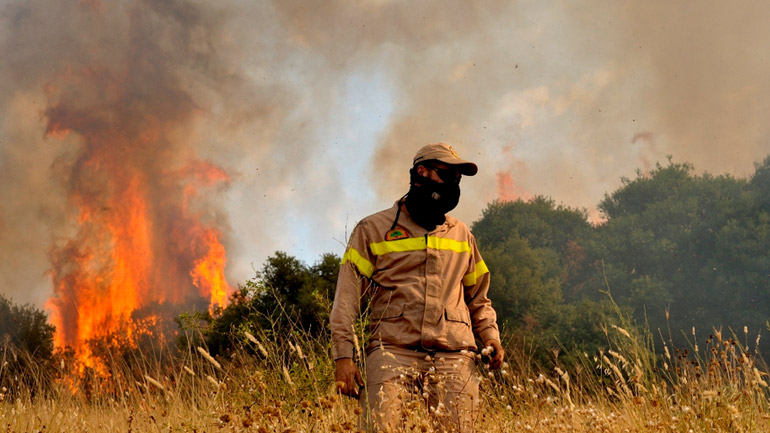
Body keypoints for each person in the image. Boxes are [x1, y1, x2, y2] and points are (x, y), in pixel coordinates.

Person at [330, 142, 504, 432]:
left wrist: (491, 336)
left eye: (457, 179)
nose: (453, 184)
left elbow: (479, 298)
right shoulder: (372, 230)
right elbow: (346, 301)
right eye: (446, 175)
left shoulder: (462, 235)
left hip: (455, 356)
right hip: (391, 352)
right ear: (421, 172)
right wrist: (344, 357)